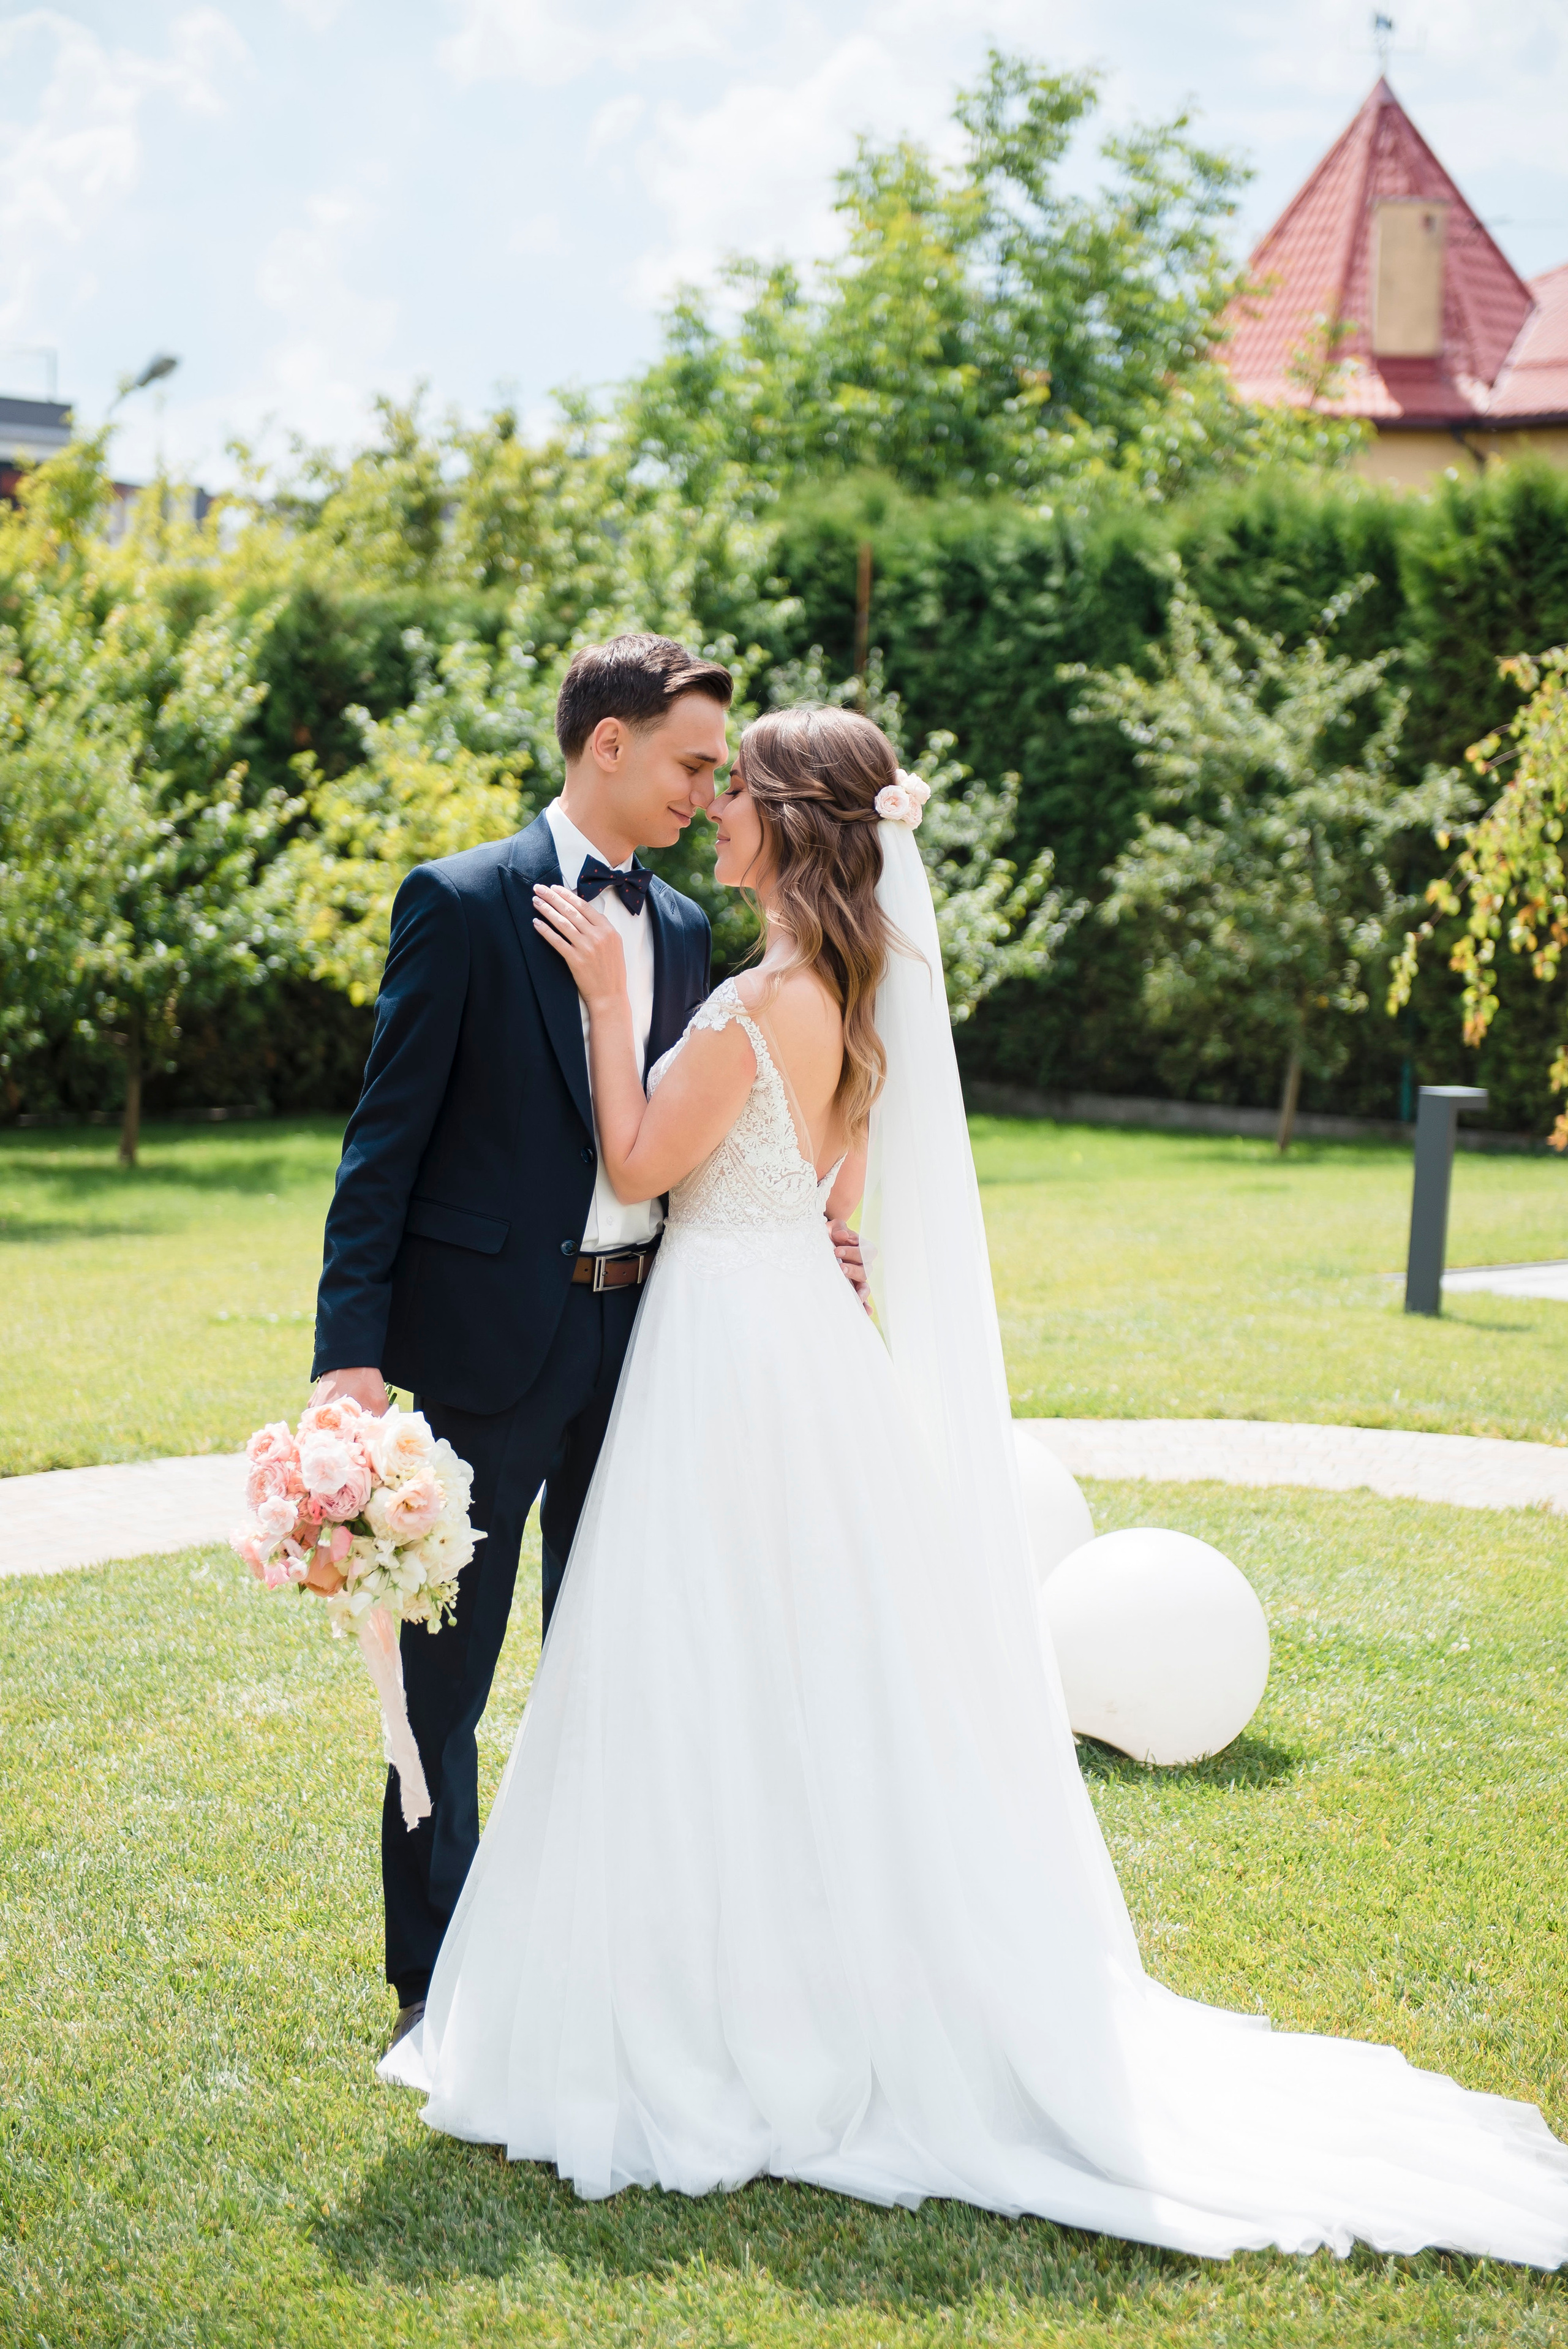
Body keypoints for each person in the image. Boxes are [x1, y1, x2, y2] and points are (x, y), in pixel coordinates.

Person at [380, 704, 1568, 2265]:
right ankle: (789, 1968)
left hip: (722, 1356)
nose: (714, 805)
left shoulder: (759, 998)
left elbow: (641, 1157)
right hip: (802, 1345)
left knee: (697, 1663)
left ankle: (710, 1992)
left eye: (736, 790)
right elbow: (837, 1197)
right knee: (802, 1672)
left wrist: (609, 1003)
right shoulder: (857, 998)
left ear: (787, 825)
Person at [309, 635, 866, 2057]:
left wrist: (810, 1240)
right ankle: (432, 1982)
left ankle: (610, 1966)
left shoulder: (681, 928)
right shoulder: (459, 902)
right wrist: (347, 1356)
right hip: (483, 1351)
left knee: (628, 1657)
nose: (708, 792)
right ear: (605, 743)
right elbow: (382, 1149)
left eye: (722, 773)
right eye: (691, 763)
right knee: (446, 1681)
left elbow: (709, 1136)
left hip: (656, 1349)